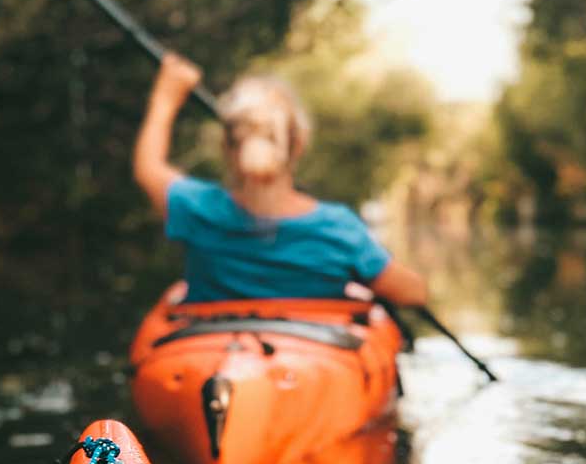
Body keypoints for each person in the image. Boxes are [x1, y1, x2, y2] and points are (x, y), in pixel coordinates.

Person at [132, 53, 428, 307]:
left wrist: (166, 97)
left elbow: (148, 167)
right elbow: (413, 294)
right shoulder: (338, 230)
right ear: (298, 145)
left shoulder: (199, 210)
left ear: (226, 148)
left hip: (212, 360)